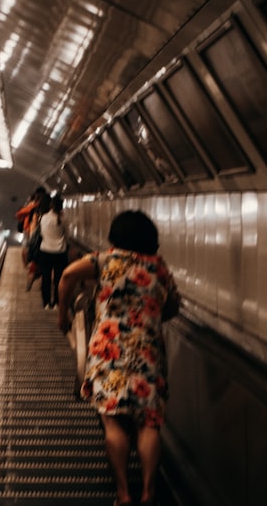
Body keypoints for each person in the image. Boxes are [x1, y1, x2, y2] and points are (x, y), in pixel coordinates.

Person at [57, 210, 180, 506]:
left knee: (112, 422)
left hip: (108, 349)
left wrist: (63, 314)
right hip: (147, 351)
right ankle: (149, 492)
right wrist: (149, 318)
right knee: (149, 423)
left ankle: (124, 493)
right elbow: (173, 305)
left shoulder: (104, 260)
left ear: (116, 236)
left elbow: (67, 276)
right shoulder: (159, 268)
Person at [35, 195, 68, 309]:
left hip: (45, 251)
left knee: (46, 278)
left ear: (51, 205)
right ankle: (57, 303)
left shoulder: (43, 218)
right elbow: (66, 236)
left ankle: (46, 303)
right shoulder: (64, 219)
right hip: (60, 253)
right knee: (59, 280)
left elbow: (42, 234)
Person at [15, 186, 48, 290]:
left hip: (31, 231)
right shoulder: (42, 207)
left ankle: (29, 270)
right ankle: (39, 280)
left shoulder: (33, 205)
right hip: (39, 234)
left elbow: (19, 214)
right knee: (41, 258)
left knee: (30, 251)